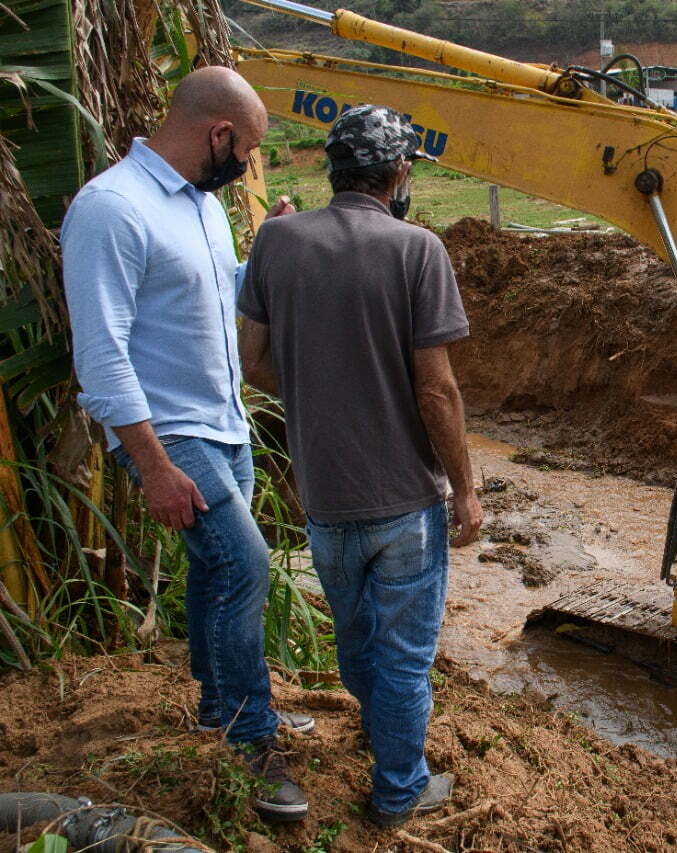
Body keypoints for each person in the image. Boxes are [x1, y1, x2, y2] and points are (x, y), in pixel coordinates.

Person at [61, 66, 310, 822]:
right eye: (249, 150)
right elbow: (101, 355)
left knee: (215, 569)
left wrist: (260, 254)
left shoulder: (200, 208)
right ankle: (248, 735)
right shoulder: (112, 208)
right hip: (167, 430)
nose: (247, 167)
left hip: (220, 418)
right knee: (245, 561)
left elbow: (213, 293)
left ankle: (217, 707)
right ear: (219, 134)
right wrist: (151, 463)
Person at [236, 104, 484, 828]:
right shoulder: (416, 249)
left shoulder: (276, 242)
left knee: (355, 638)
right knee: (405, 658)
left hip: (324, 502)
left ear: (331, 167)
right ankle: (399, 787)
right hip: (405, 501)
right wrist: (465, 490)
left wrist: (320, 395)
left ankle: (384, 733)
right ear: (399, 171)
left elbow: (253, 360)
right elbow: (436, 387)